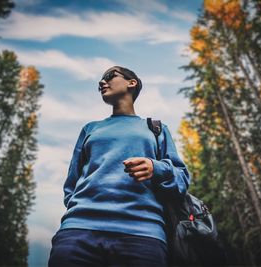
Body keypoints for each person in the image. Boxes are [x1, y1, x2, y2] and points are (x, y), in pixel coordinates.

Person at [48, 66, 190, 267]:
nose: (101, 82)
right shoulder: (91, 129)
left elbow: (182, 180)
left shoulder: (155, 129)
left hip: (143, 234)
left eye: (109, 76)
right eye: (101, 80)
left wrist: (155, 168)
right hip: (78, 231)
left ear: (132, 83)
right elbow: (72, 183)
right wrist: (82, 212)